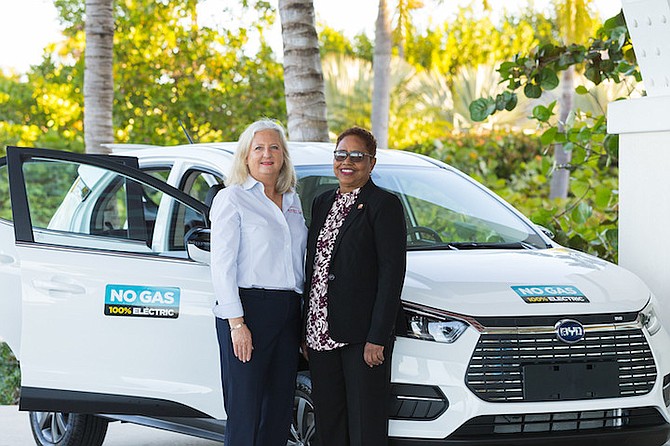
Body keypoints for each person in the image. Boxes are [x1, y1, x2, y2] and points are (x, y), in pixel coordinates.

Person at [304, 126, 407, 446]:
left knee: (365, 423)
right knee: (329, 421)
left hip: (362, 337)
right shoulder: (322, 202)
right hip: (319, 331)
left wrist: (378, 337)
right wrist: (303, 329)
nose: (347, 162)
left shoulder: (383, 204)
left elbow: (392, 274)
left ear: (371, 163)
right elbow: (314, 268)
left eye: (357, 156)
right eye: (341, 155)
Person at [209, 119, 307, 446]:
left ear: (283, 156)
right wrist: (237, 324)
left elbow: (300, 262)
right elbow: (221, 266)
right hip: (248, 310)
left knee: (278, 408)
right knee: (245, 408)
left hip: (288, 310)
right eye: (259, 148)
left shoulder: (292, 200)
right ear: (246, 156)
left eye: (274, 147)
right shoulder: (232, 199)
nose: (267, 154)